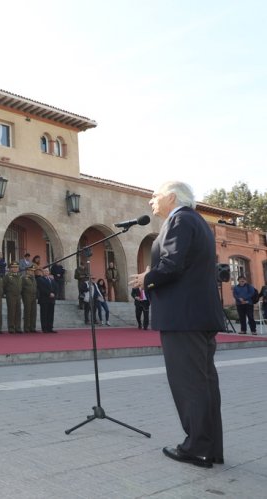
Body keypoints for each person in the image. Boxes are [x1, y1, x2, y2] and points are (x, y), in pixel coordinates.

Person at [129, 180, 224, 468]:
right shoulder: (197, 222)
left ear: (171, 197)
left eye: (155, 196)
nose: (151, 202)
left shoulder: (180, 220)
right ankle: (210, 447)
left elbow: (172, 265)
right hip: (198, 315)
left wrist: (148, 278)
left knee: (190, 385)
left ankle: (197, 448)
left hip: (183, 317)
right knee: (204, 383)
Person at [3, 262, 23, 333]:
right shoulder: (7, 276)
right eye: (13, 267)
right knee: (11, 312)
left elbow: (21, 286)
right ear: (11, 268)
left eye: (16, 267)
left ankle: (18, 327)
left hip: (18, 296)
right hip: (10, 295)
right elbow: (4, 286)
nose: (15, 269)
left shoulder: (20, 276)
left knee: (18, 312)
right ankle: (11, 328)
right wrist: (6, 293)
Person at [36, 268, 57, 333]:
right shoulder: (40, 279)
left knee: (51, 314)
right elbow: (41, 288)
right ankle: (44, 328)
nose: (46, 272)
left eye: (47, 271)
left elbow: (56, 287)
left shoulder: (52, 280)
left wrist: (54, 294)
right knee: (44, 314)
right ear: (42, 272)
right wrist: (49, 293)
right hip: (44, 299)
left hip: (52, 299)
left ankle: (50, 327)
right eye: (45, 271)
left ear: (49, 272)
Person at [21, 266, 37, 332]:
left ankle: (32, 327)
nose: (32, 272)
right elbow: (21, 287)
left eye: (33, 271)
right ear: (27, 271)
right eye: (31, 271)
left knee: (33, 312)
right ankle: (26, 328)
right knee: (27, 312)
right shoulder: (24, 278)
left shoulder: (33, 278)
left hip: (33, 296)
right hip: (27, 296)